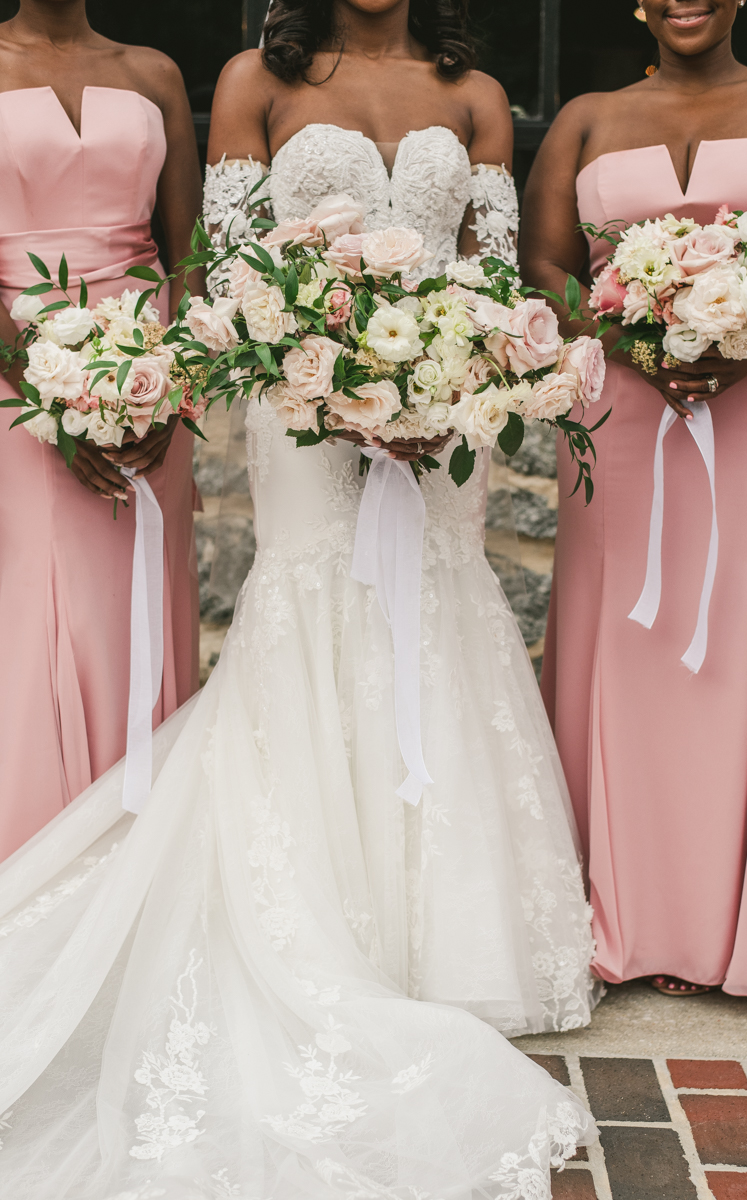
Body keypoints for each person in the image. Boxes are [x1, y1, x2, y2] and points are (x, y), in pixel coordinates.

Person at [0, 3, 597, 1196]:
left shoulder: (473, 93)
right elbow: (221, 270)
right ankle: (319, 912)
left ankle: (443, 934)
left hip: (439, 415)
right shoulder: (243, 82)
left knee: (438, 610)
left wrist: (444, 380)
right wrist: (319, 375)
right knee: (311, 603)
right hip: (299, 399)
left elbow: (487, 277)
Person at [521, 0, 747, 1001]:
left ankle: (743, 926)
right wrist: (639, 346)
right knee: (627, 642)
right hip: (623, 419)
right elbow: (546, 266)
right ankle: (630, 912)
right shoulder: (584, 118)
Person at [0, 0, 203, 860]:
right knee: (42, 611)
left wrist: (176, 387)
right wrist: (44, 397)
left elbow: (189, 251)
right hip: (18, 380)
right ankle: (40, 856)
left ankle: (143, 857)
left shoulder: (153, 72)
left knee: (141, 599)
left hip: (149, 380)